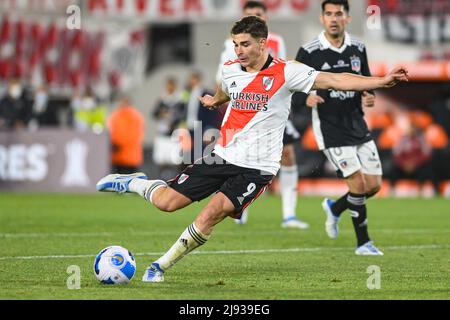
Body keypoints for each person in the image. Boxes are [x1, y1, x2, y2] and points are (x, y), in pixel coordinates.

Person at [96, 16, 408, 282]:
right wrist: (215, 100)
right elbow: (225, 89)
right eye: (236, 44)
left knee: (213, 212)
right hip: (223, 155)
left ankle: (159, 266)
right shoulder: (231, 69)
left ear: (263, 43)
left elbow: (334, 80)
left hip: (258, 167)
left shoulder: (287, 72)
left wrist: (379, 81)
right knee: (166, 202)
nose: (239, 50)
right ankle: (132, 182)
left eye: (245, 44)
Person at [292, 0, 385, 255]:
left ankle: (335, 208)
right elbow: (290, 88)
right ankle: (364, 243)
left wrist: (369, 94)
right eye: (329, 14)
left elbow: (364, 79)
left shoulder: (358, 47)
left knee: (373, 185)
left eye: (338, 14)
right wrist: (305, 97)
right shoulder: (309, 51)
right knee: (357, 185)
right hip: (330, 128)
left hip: (357, 123)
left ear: (348, 18)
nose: (334, 18)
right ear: (322, 18)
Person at [216, 0, 308, 229]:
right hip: (244, 111)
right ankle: (239, 206)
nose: (256, 18)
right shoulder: (232, 44)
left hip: (271, 110)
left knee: (287, 154)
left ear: (266, 17)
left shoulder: (277, 41)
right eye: (251, 15)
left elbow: (283, 73)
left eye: (259, 14)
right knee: (239, 158)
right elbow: (223, 78)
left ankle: (289, 214)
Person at [107, 96, 145, 174]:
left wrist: (117, 143)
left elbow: (134, 135)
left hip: (128, 156)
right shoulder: (115, 116)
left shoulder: (134, 117)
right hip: (121, 156)